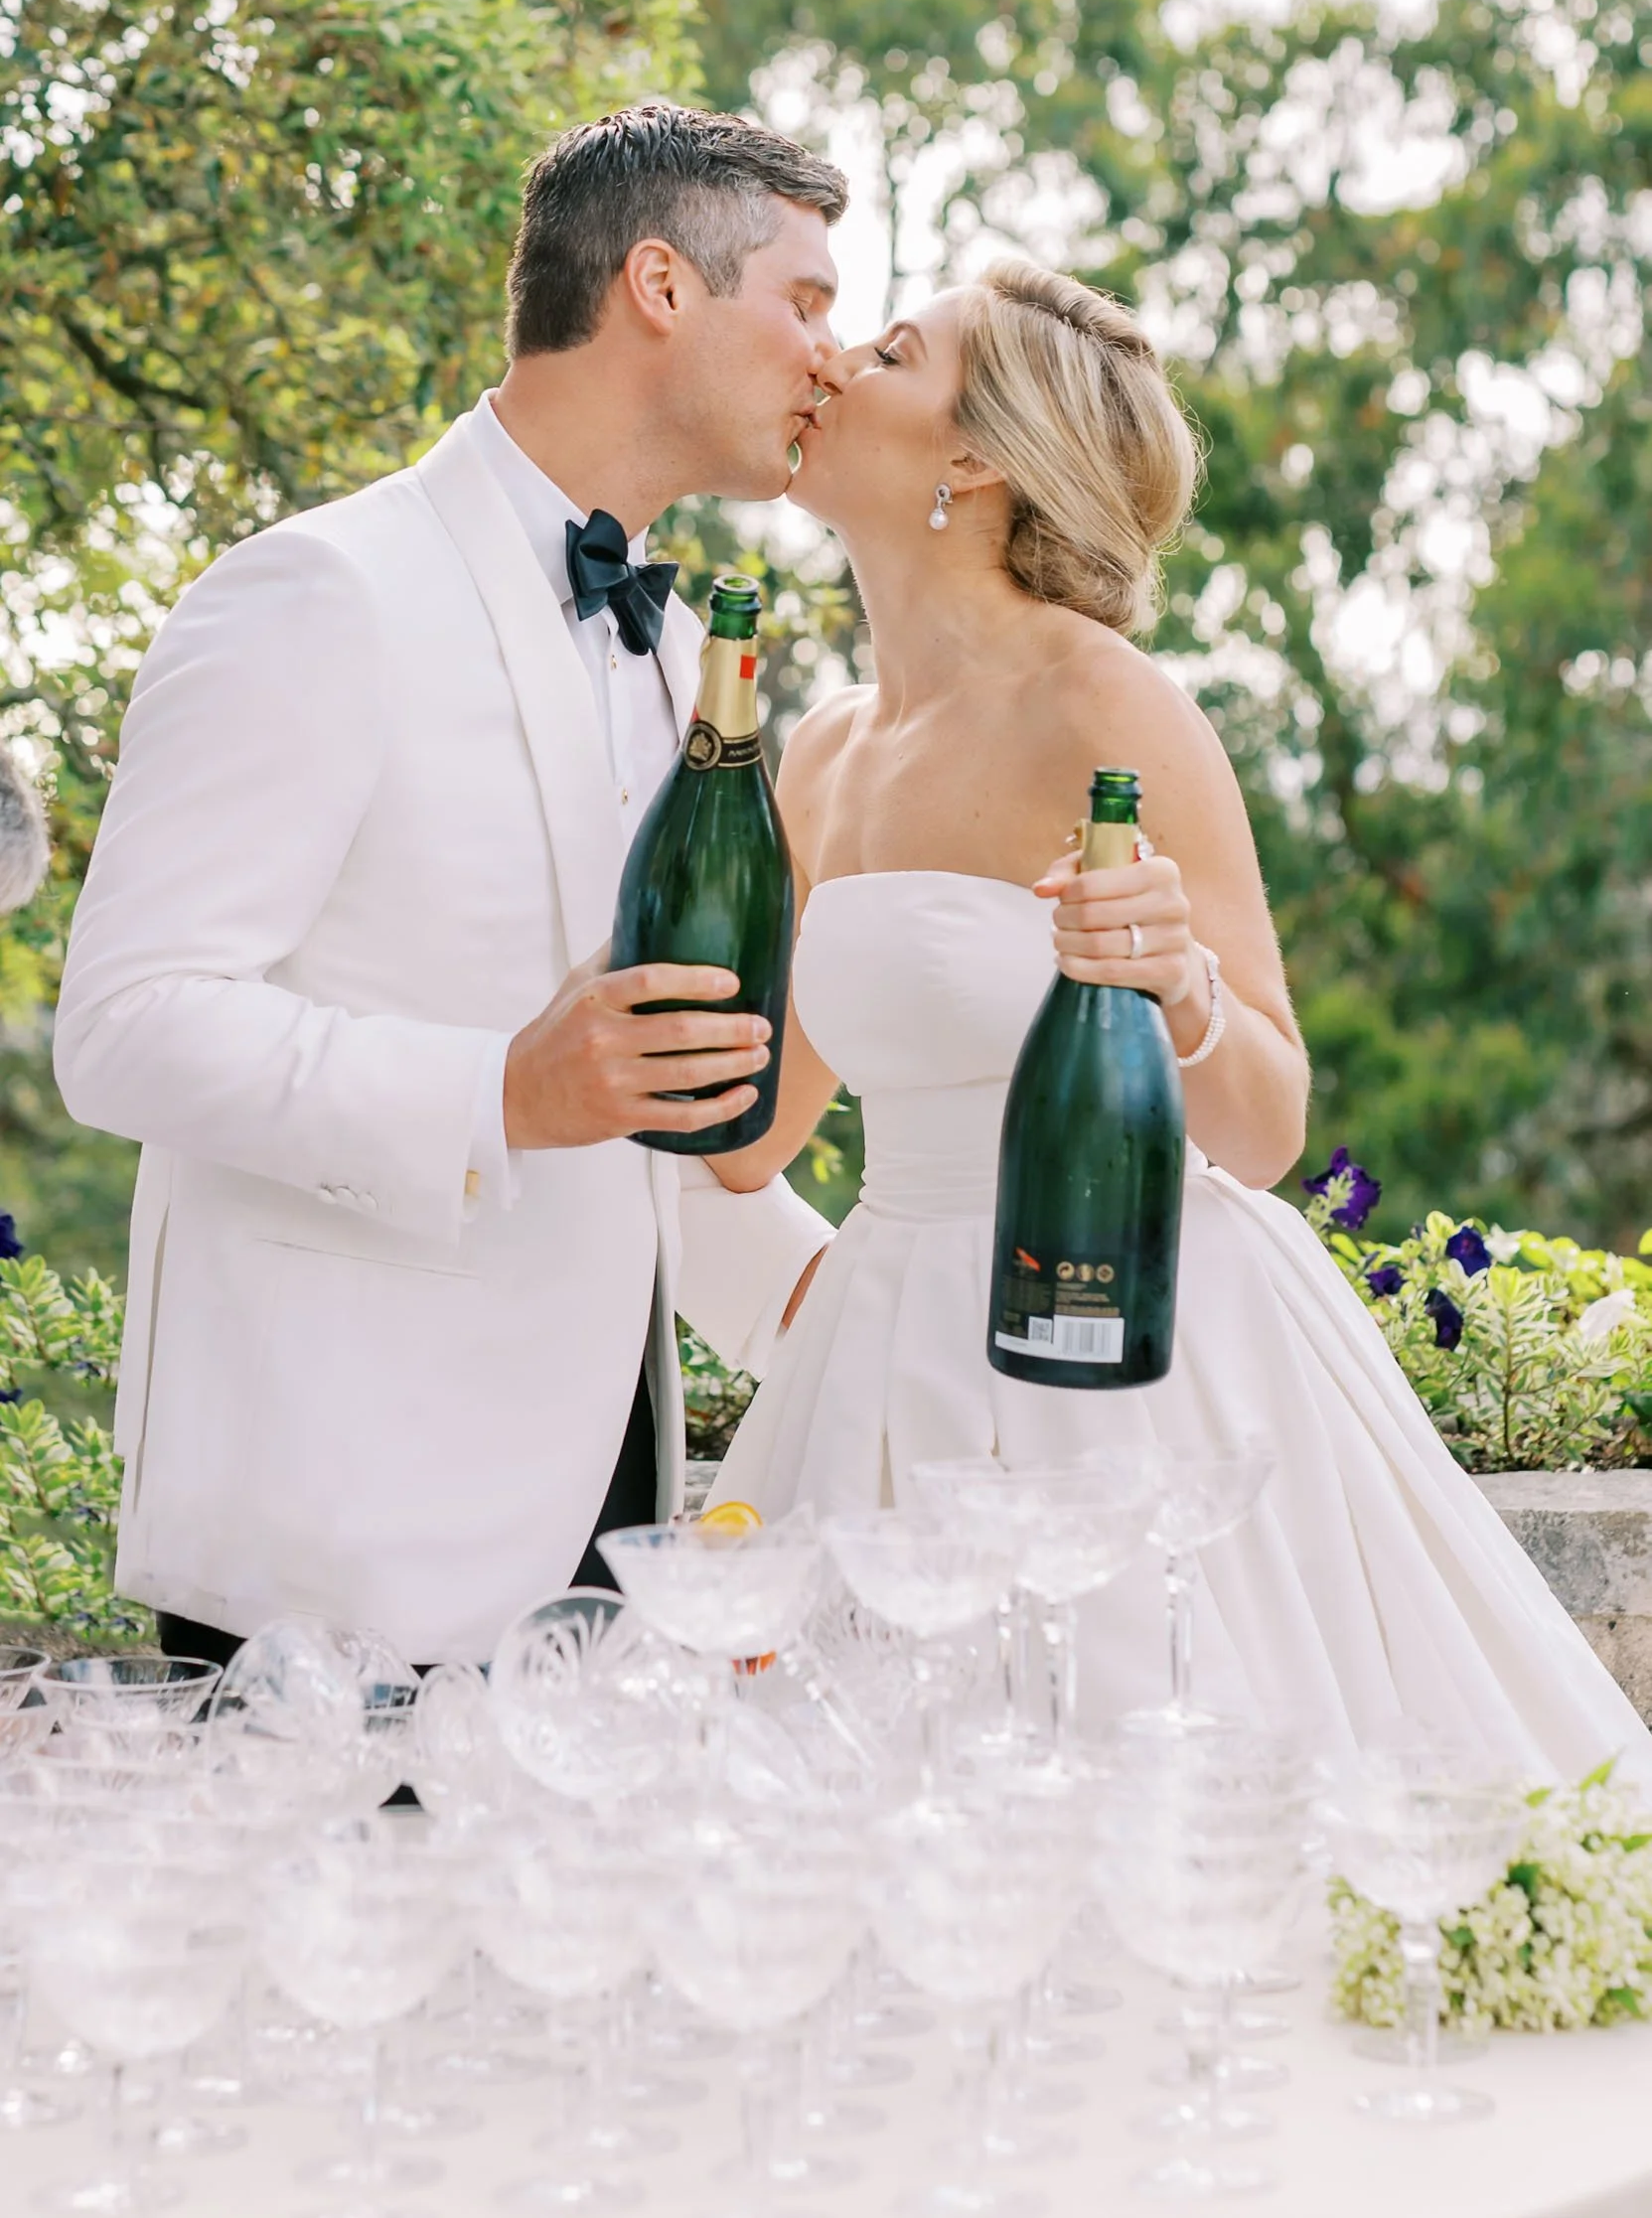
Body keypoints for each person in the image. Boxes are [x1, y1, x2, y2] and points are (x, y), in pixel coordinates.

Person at [711, 257, 1652, 1785]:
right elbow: (753, 1130)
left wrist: (1183, 993)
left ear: (974, 457)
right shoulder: (815, 751)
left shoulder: (1108, 706)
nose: (832, 366)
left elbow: (1265, 1125)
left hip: (1123, 1346)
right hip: (884, 1365)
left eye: (888, 351)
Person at [55, 103, 845, 1668]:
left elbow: (631, 1095)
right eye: (805, 302)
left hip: (608, 1535)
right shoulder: (319, 593)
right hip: (339, 1536)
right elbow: (125, 1027)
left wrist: (845, 1309)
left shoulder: (687, 659)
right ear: (662, 287)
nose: (833, 351)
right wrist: (493, 1088)